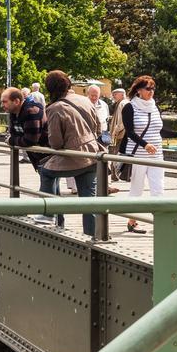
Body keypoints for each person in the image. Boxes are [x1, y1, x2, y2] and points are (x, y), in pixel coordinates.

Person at [120, 75, 177, 232]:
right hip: (138, 154)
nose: (151, 92)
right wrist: (145, 145)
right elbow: (130, 132)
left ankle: (160, 221)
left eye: (153, 88)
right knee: (137, 189)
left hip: (157, 154)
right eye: (148, 88)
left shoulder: (154, 106)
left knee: (158, 188)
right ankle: (132, 221)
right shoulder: (129, 107)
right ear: (139, 90)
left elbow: (159, 130)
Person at [36, 70, 105, 234]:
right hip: (92, 155)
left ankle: (49, 213)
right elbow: (98, 128)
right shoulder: (85, 100)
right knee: (88, 199)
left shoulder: (55, 108)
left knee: (45, 172)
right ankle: (93, 235)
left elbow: (56, 143)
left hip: (73, 156)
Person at [1, 86, 48, 170]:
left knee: (48, 182)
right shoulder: (14, 113)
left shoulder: (31, 111)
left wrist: (10, 140)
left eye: (5, 102)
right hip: (38, 157)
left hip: (48, 157)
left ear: (16, 101)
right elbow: (14, 133)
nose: (2, 105)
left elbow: (30, 140)